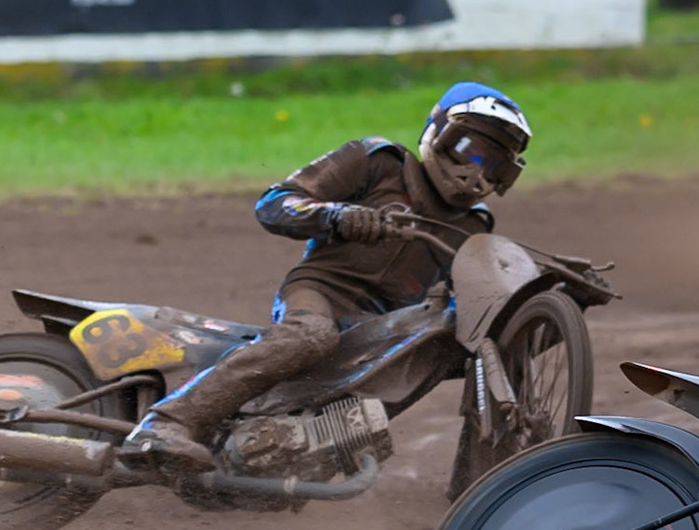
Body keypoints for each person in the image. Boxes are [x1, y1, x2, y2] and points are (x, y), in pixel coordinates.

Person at [123, 84, 534, 473]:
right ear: (440, 132)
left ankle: (478, 483)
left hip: (385, 330)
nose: (475, 172)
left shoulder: (475, 226)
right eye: (470, 151)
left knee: (473, 346)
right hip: (321, 290)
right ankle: (167, 423)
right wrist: (336, 217)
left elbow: (475, 297)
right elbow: (276, 202)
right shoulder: (378, 161)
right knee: (312, 336)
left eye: (493, 165)